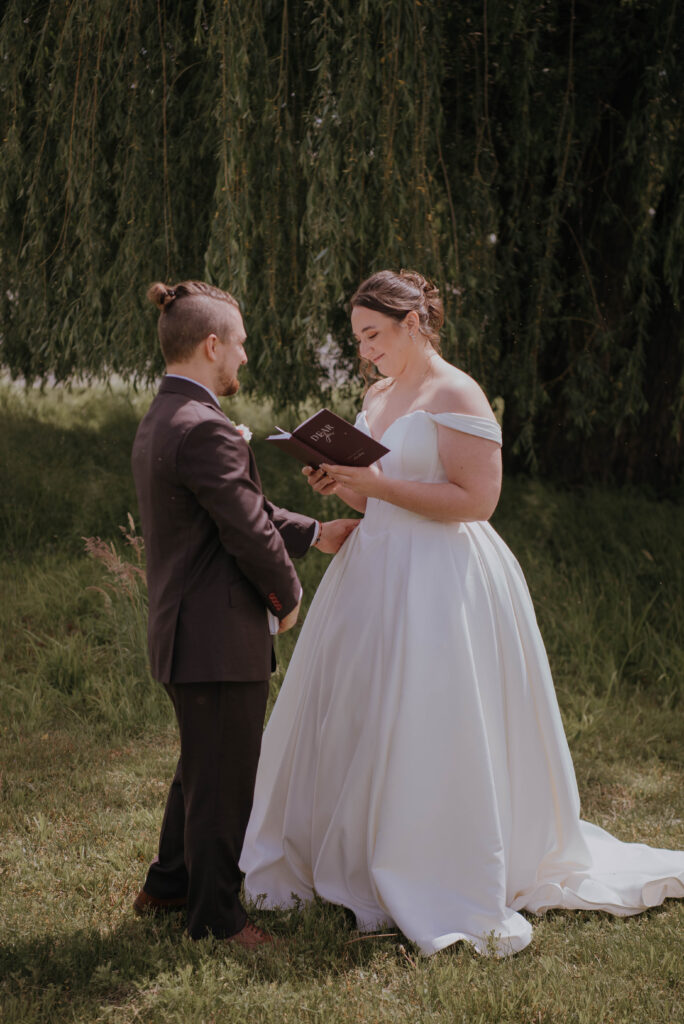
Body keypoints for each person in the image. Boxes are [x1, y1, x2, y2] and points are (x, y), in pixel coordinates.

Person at [240, 269, 684, 956]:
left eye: (374, 335)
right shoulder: (379, 393)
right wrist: (343, 484)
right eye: (358, 339)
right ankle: (355, 853)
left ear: (415, 321)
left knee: (432, 713)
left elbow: (478, 501)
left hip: (443, 576)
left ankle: (438, 858)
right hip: (374, 571)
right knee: (362, 710)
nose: (365, 352)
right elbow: (376, 499)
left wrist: (378, 483)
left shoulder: (457, 392)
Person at [131, 280, 357, 949]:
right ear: (211, 345)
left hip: (185, 630)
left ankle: (168, 885)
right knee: (225, 780)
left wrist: (316, 531)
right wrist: (286, 600)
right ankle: (217, 922)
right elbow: (247, 534)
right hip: (215, 634)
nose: (245, 358)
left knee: (202, 766)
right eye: (241, 344)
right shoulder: (204, 428)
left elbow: (233, 511)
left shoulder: (168, 415)